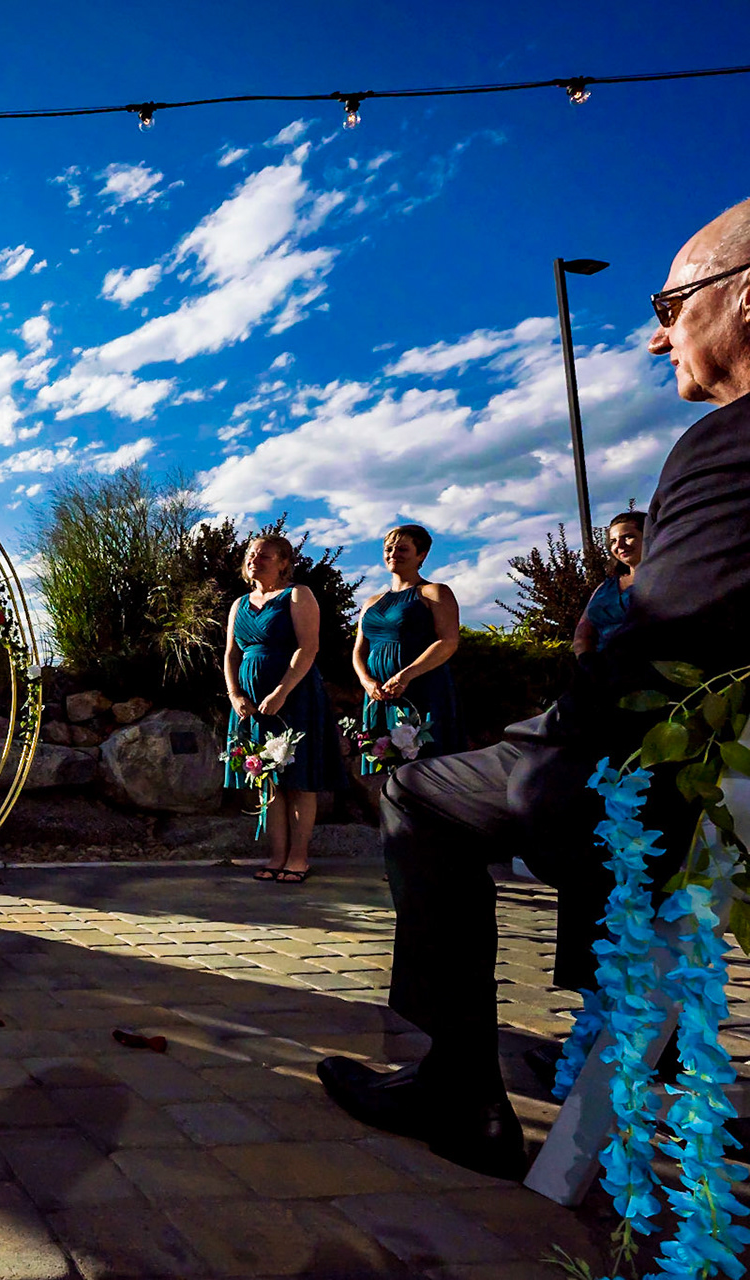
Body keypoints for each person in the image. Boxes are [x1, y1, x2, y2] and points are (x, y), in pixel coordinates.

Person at [317, 199, 750, 1181]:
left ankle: (459, 1086)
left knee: (421, 793)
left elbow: (665, 653)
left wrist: (549, 723)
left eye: (673, 302)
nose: (656, 332)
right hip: (717, 786)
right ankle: (623, 1047)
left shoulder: (729, 446)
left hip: (661, 779)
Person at [223, 534, 342, 884]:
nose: (254, 559)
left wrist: (281, 691)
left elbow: (308, 647)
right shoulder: (239, 604)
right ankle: (276, 855)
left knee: (300, 780)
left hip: (295, 696)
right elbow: (231, 653)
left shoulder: (298, 595)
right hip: (250, 703)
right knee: (267, 780)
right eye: (251, 554)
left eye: (264, 555)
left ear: (283, 562)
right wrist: (234, 693)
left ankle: (298, 858)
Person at [352, 524, 462, 770]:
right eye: (389, 548)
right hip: (379, 693)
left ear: (421, 555)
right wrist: (366, 681)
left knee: (427, 766)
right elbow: (359, 649)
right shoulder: (372, 602)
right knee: (386, 768)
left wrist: (406, 675)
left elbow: (448, 641)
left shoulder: (434, 592)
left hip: (421, 687)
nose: (393, 554)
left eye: (402, 549)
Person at [572, 510, 645, 655]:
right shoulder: (604, 588)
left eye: (628, 537)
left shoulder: (667, 580)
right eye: (613, 541)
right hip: (604, 671)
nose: (620, 545)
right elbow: (583, 632)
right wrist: (586, 660)